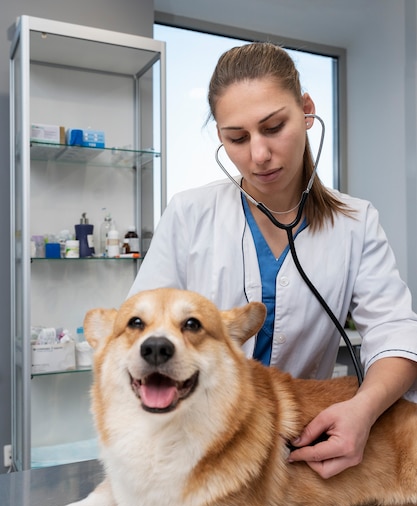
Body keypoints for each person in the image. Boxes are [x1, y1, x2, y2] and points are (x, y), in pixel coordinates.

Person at [128, 42, 417, 479]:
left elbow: (396, 336)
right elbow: (140, 330)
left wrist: (362, 410)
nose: (258, 155)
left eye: (273, 127)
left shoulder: (356, 223)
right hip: (195, 441)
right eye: (237, 138)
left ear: (306, 110)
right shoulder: (190, 214)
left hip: (304, 440)